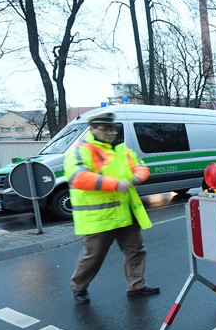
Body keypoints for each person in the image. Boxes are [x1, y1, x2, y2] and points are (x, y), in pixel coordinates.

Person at [65, 113, 159, 304]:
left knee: (136, 250)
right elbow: (78, 177)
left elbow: (141, 167)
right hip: (100, 216)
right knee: (94, 256)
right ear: (92, 129)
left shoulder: (123, 150)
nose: (110, 133)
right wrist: (114, 184)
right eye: (105, 129)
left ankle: (137, 285)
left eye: (112, 129)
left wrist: (137, 177)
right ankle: (79, 286)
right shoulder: (81, 151)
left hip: (126, 213)